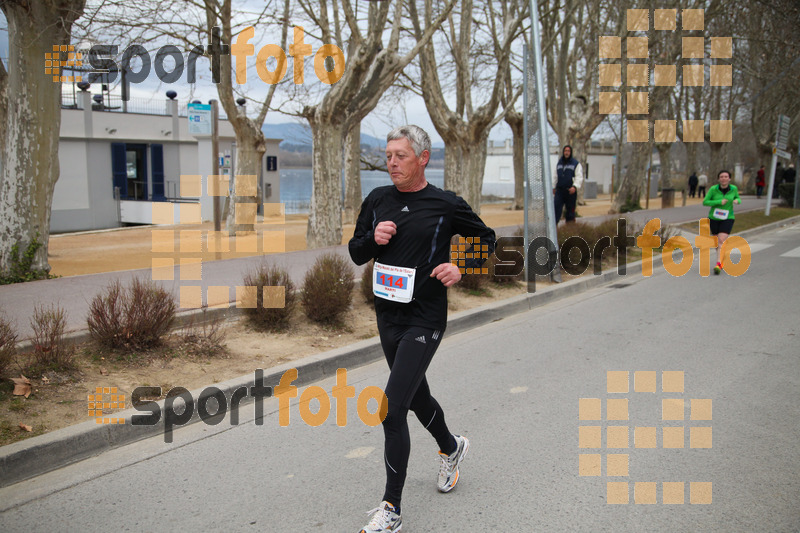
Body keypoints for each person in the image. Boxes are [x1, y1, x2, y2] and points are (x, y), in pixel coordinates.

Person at [349, 125, 495, 533]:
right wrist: (373, 240)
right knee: (415, 396)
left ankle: (391, 509)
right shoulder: (377, 200)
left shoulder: (444, 204)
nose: (391, 162)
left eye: (400, 155)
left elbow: (486, 238)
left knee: (391, 407)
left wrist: (460, 266)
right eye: (388, 154)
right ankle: (452, 447)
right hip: (387, 315)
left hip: (425, 317)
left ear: (423, 158)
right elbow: (356, 250)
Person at [703, 169, 741, 275]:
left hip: (728, 217)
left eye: (726, 177)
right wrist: (719, 201)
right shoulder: (713, 189)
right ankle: (721, 259)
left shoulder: (733, 189)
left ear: (729, 178)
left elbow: (738, 197)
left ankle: (718, 264)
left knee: (721, 239)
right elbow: (705, 202)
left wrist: (737, 201)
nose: (723, 179)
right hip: (714, 218)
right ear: (718, 179)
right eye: (721, 177)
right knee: (717, 242)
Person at [552, 145, 583, 223]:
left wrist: (575, 187)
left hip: (570, 191)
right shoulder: (559, 163)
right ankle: (554, 230)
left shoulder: (576, 164)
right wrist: (553, 187)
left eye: (568, 151)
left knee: (570, 213)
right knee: (556, 210)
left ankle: (570, 230)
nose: (566, 153)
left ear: (571, 152)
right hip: (560, 191)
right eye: (565, 151)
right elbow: (555, 176)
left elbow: (579, 177)